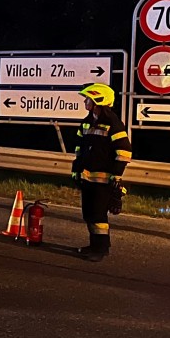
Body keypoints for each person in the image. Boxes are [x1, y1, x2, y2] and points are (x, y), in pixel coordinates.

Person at [71, 83, 132, 261]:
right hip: (87, 178)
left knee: (98, 215)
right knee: (88, 214)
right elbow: (79, 149)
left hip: (104, 181)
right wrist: (76, 171)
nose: (85, 102)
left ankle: (101, 249)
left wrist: (116, 176)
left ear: (99, 100)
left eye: (88, 99)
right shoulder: (87, 122)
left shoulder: (113, 123)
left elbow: (124, 152)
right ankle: (93, 246)